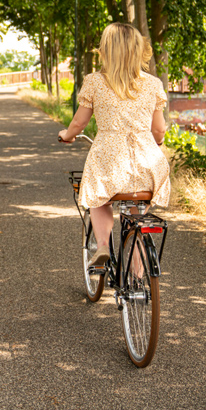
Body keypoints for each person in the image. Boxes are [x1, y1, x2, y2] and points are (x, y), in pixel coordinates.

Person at [58, 23, 171, 267]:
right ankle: (138, 276)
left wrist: (67, 135)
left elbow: (79, 123)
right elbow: (159, 130)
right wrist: (157, 144)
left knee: (97, 198)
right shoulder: (153, 84)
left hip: (108, 158)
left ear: (106, 50)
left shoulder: (95, 82)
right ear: (138, 50)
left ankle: (102, 247)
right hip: (147, 162)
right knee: (136, 212)